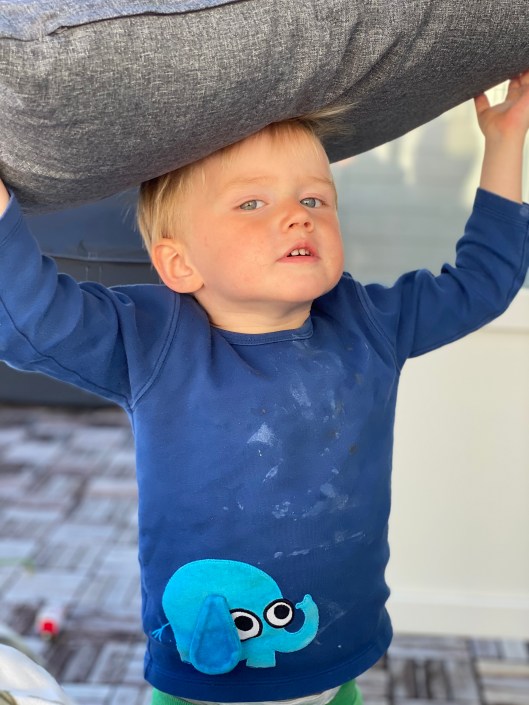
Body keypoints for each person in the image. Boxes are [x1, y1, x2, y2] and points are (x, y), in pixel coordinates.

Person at [0, 72, 528, 705]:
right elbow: (30, 319)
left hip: (336, 661)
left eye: (316, 199)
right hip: (207, 678)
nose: (297, 216)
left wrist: (506, 142)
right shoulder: (149, 340)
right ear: (179, 263)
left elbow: (481, 284)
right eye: (252, 203)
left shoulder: (369, 324)